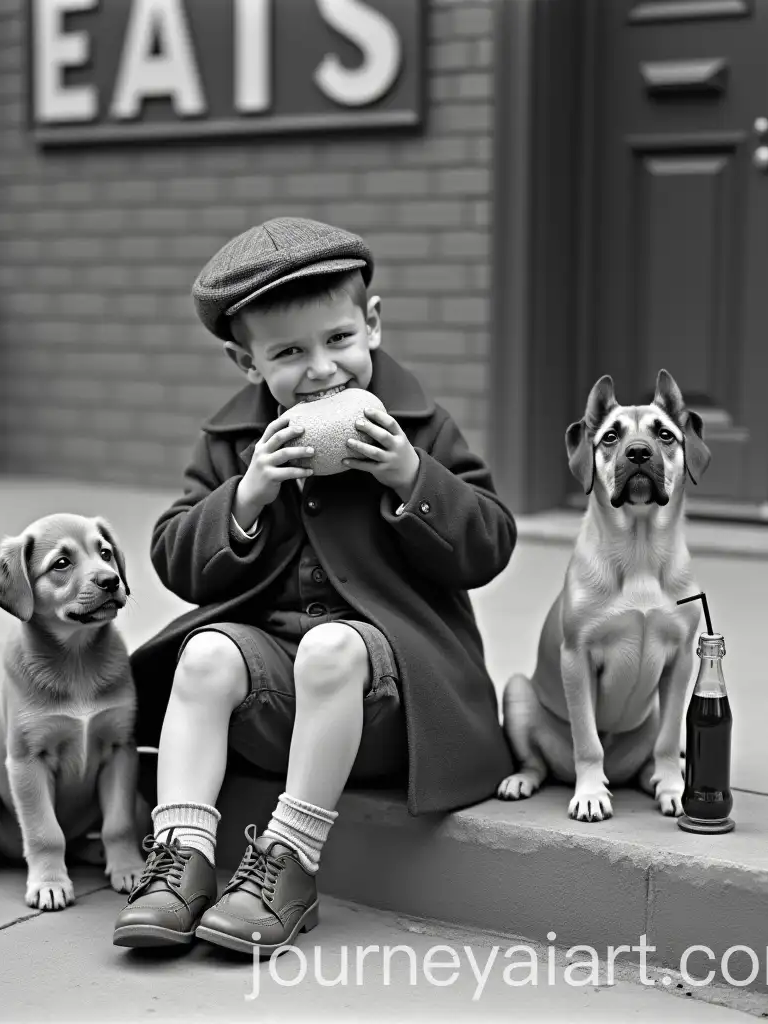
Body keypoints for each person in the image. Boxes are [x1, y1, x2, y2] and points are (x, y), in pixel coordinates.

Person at [111, 216, 517, 956]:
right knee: (204, 654)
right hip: (279, 711)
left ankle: (288, 864)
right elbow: (175, 557)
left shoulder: (417, 429)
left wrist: (407, 476)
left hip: (392, 709)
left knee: (331, 647)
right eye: (289, 353)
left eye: (338, 340)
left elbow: (489, 544)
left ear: (373, 322)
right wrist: (246, 493)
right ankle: (181, 858)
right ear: (246, 361)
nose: (323, 369)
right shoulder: (235, 445)